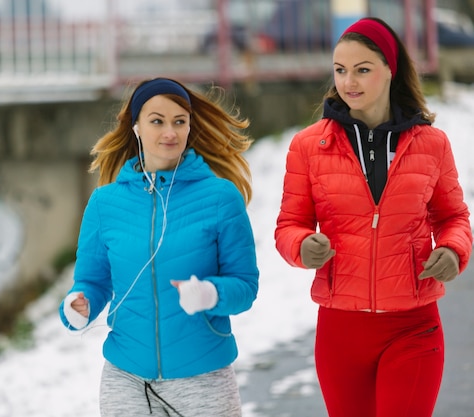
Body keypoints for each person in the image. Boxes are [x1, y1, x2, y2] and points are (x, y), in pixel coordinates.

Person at [274, 17, 472, 417]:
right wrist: (300, 245)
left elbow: (454, 218)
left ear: (390, 70)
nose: (350, 82)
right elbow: (288, 225)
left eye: (362, 70)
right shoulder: (309, 146)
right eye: (340, 70)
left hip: (414, 327)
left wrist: (452, 250)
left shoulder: (431, 144)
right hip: (341, 333)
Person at [59, 77, 259, 416]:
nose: (170, 132)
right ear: (136, 126)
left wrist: (209, 293)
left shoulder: (221, 198)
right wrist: (80, 305)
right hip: (127, 379)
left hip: (203, 378)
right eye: (157, 121)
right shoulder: (105, 203)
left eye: (179, 122)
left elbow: (245, 285)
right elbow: (92, 281)